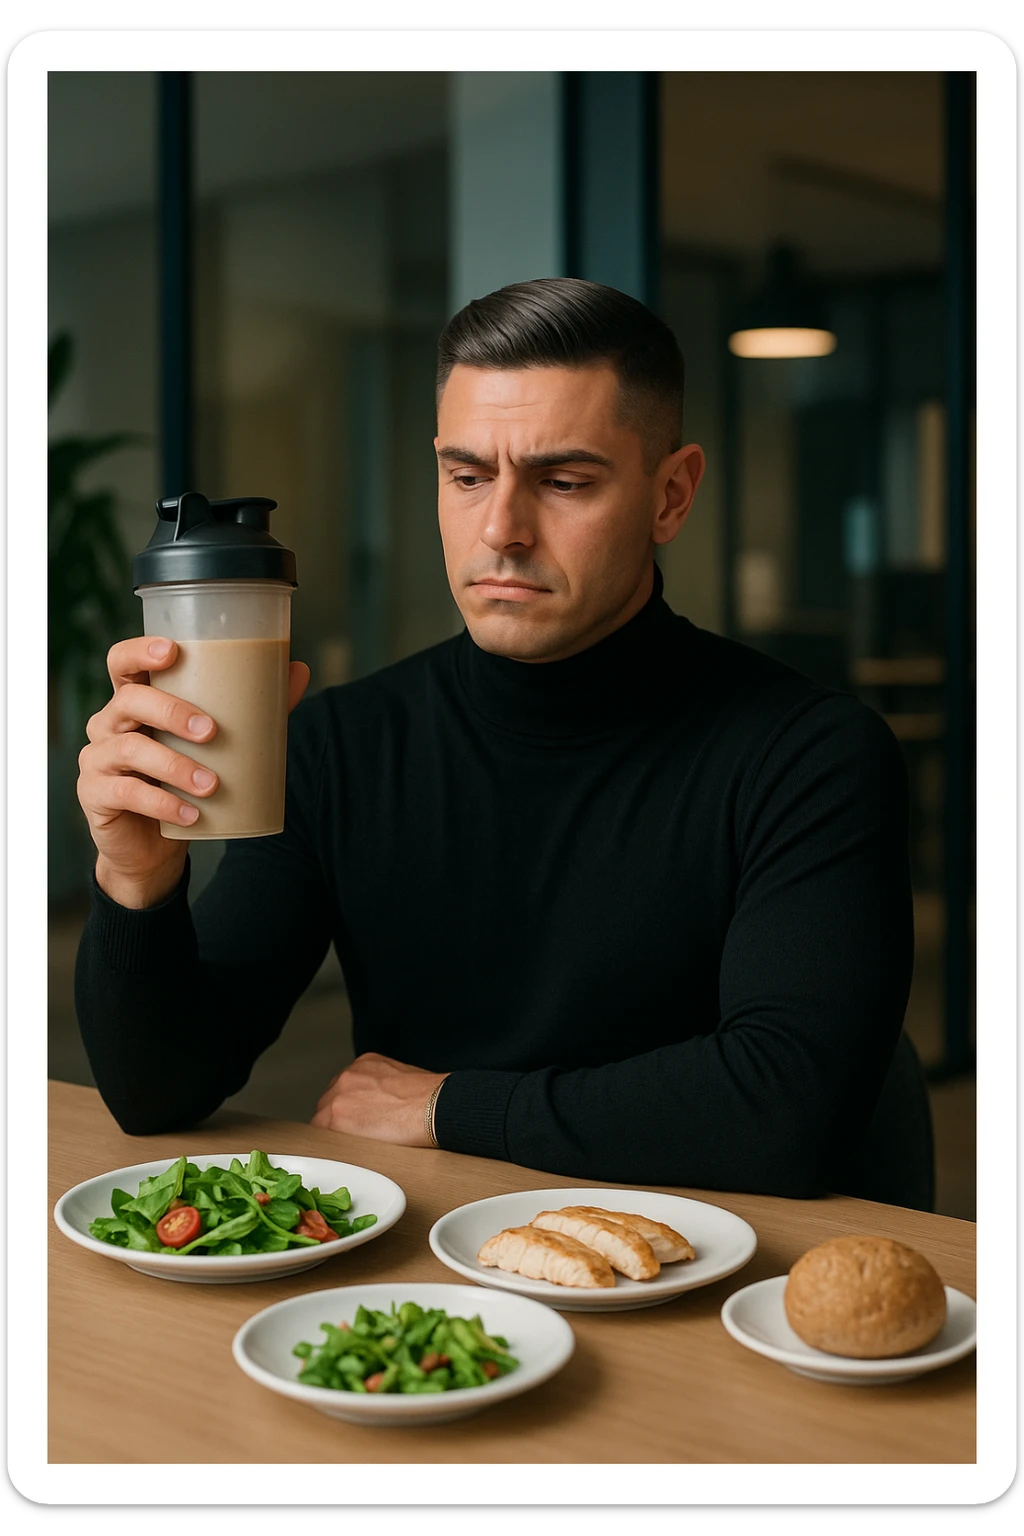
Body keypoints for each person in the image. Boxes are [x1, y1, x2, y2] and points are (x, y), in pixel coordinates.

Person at [74, 277, 926, 1205]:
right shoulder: (339, 746)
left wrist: (451, 1108)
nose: (501, 529)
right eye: (467, 476)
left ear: (671, 495)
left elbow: (788, 1112)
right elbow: (159, 1091)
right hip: (439, 1278)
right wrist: (137, 882)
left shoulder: (812, 757)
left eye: (563, 482)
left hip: (711, 1275)